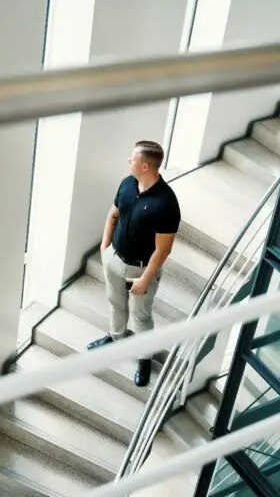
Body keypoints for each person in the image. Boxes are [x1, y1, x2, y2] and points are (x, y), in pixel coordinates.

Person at [87, 140, 181, 387]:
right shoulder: (127, 184)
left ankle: (144, 357)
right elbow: (114, 213)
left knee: (141, 316)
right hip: (114, 257)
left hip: (140, 270)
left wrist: (145, 279)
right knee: (115, 303)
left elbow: (163, 250)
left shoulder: (166, 203)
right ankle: (117, 336)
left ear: (146, 166)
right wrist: (105, 245)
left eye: (133, 160)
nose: (129, 162)